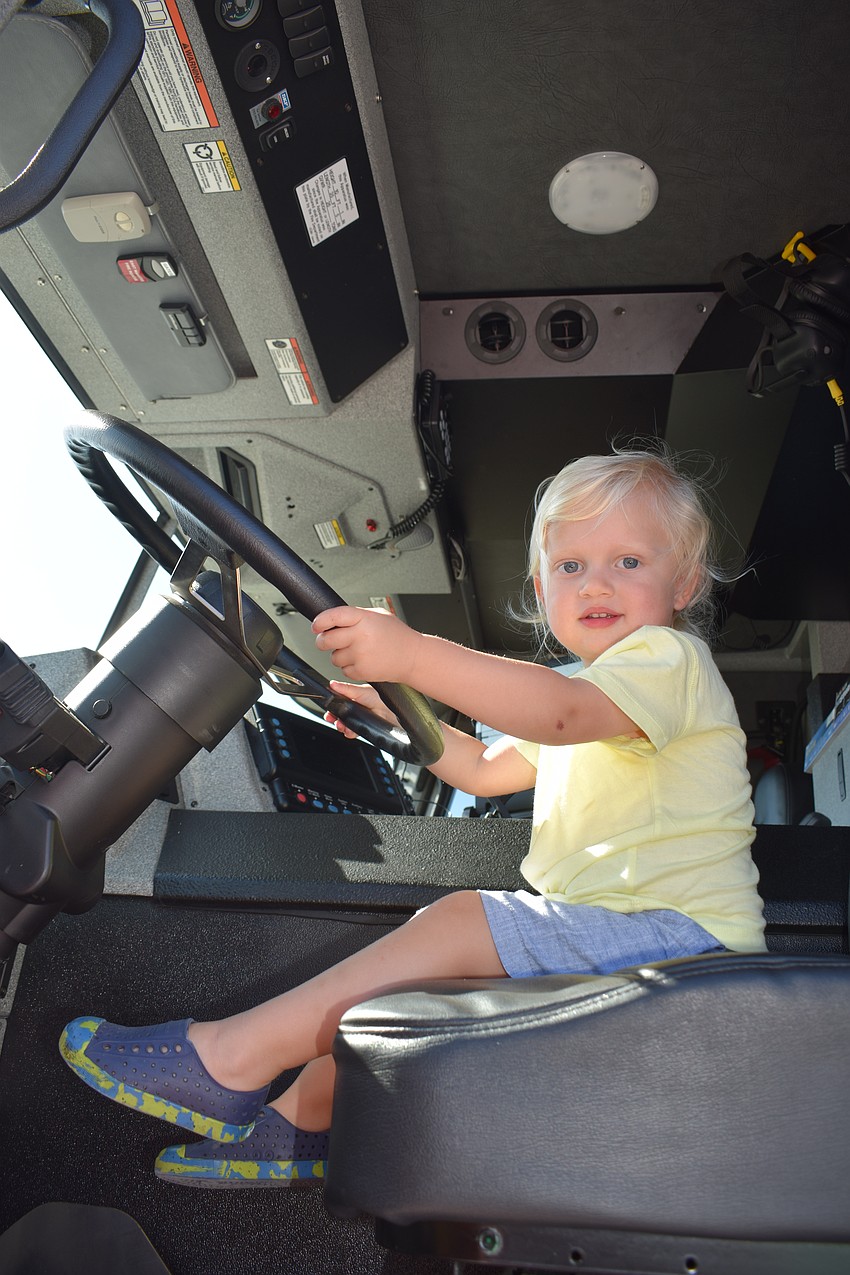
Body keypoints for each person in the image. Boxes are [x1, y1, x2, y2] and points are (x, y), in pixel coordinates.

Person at [59, 447, 766, 1188]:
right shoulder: (592, 688)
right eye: (571, 566)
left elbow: (559, 717)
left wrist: (411, 653)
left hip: (689, 946)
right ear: (541, 586)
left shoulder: (667, 661)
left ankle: (227, 1060)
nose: (596, 582)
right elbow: (481, 769)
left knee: (461, 923)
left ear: (684, 583)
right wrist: (393, 705)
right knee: (422, 976)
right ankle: (298, 1125)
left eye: (628, 561)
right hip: (621, 935)